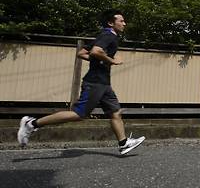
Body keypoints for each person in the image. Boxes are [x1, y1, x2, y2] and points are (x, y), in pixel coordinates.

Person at [17, 10, 146, 156]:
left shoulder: (103, 35)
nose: (124, 23)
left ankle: (123, 143)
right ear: (111, 23)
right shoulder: (108, 35)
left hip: (104, 84)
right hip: (95, 82)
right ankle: (32, 124)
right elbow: (96, 52)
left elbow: (82, 53)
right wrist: (112, 61)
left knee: (115, 112)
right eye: (121, 21)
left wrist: (100, 60)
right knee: (78, 114)